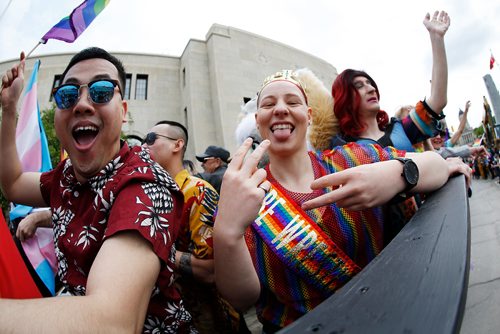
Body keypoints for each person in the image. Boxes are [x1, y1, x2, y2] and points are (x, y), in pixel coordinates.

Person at [213, 69, 471, 333]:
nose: (280, 109)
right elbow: (241, 298)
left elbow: (436, 166)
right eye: (268, 104)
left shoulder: (354, 158)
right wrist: (228, 232)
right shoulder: (246, 192)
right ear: (258, 121)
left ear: (309, 115)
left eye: (292, 102)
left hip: (386, 319)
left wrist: (397, 174)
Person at [0, 48, 194, 332]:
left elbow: (111, 323)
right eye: (68, 95)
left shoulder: (146, 185)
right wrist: (8, 111)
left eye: (101, 91)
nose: (82, 104)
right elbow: (13, 183)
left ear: (123, 112)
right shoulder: (65, 176)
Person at [144, 120, 242, 333]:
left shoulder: (197, 192)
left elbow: (209, 269)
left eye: (151, 139)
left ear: (177, 145)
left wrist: (153, 248)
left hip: (212, 319)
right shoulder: (150, 196)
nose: (144, 146)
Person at [311, 11, 450, 153]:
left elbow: (437, 102)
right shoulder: (341, 149)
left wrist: (436, 38)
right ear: (345, 99)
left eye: (370, 83)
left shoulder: (401, 129)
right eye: (359, 86)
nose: (371, 89)